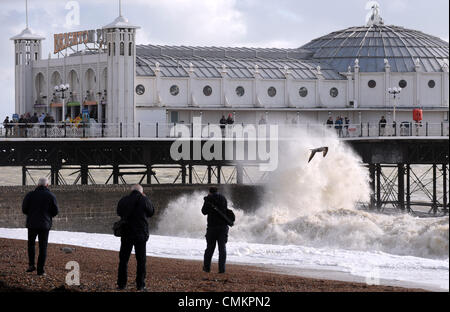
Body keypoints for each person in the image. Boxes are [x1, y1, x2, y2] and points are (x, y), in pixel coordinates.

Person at [116, 184, 155, 291]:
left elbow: (119, 212)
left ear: (131, 191)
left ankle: (121, 284)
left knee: (123, 260)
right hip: (140, 234)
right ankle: (140, 285)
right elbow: (151, 212)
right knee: (141, 261)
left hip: (126, 233)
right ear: (141, 191)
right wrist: (146, 198)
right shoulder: (144, 199)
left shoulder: (124, 200)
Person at [22, 177, 59, 276]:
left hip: (32, 224)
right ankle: (40, 270)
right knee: (43, 247)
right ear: (47, 185)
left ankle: (31, 265)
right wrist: (48, 216)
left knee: (31, 245)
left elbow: (24, 209)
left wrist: (31, 214)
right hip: (44, 225)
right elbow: (55, 211)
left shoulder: (30, 195)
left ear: (37, 185)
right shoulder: (51, 196)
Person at [202, 186, 234, 274]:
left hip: (212, 227)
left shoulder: (209, 199)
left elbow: (204, 211)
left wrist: (207, 199)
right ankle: (221, 269)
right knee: (222, 249)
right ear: (217, 191)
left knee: (210, 248)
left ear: (210, 192)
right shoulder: (223, 198)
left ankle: (207, 268)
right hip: (223, 227)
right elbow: (224, 210)